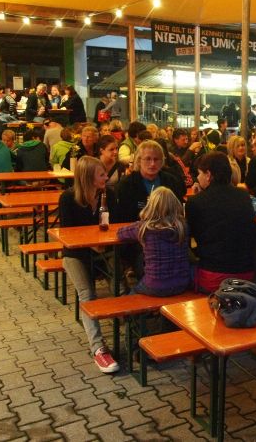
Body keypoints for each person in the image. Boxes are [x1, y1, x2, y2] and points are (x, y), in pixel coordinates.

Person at [59, 156, 119, 373]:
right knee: (87, 295)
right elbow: (67, 234)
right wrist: (93, 244)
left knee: (121, 286)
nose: (106, 178)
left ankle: (132, 333)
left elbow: (114, 224)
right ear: (88, 177)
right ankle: (98, 348)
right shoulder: (68, 198)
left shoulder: (108, 194)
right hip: (75, 254)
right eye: (101, 174)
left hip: (104, 251)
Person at [186, 152, 256, 292]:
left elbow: (192, 236)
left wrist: (199, 197)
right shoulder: (243, 196)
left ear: (208, 174)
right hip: (248, 274)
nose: (198, 178)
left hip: (214, 277)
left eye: (200, 173)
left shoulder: (195, 202)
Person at [116, 186, 190, 296]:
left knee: (131, 296)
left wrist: (141, 221)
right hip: (182, 283)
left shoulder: (145, 228)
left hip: (155, 285)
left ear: (151, 206)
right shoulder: (183, 227)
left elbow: (120, 233)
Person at [116, 140, 185, 223]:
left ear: (162, 161)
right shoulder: (127, 184)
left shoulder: (171, 181)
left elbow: (178, 211)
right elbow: (124, 216)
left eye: (156, 159)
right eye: (148, 159)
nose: (152, 164)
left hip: (166, 226)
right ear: (139, 161)